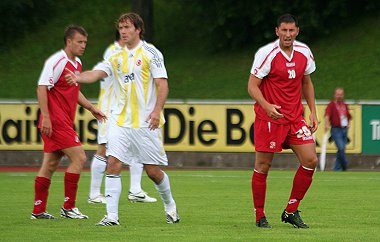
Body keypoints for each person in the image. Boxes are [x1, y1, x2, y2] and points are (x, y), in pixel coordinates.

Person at [65, 12, 179, 226]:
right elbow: (97, 73)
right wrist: (80, 76)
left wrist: (156, 111)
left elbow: (162, 84)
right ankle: (111, 216)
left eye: (127, 27)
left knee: (152, 171)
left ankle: (170, 205)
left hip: (145, 123)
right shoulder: (116, 56)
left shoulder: (150, 53)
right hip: (119, 121)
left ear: (138, 29)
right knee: (113, 163)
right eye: (120, 28)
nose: (123, 31)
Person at [247, 14, 318, 229]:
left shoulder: (304, 52)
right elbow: (252, 86)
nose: (288, 34)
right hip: (270, 119)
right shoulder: (266, 54)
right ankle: (260, 215)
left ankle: (291, 210)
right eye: (284, 30)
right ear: (277, 31)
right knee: (263, 166)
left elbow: (306, 82)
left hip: (295, 118)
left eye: (291, 30)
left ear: (297, 31)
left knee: (311, 160)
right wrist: (267, 106)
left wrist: (313, 112)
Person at [31, 25, 106, 220]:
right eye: (80, 42)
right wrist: (46, 116)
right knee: (79, 158)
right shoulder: (57, 61)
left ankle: (38, 211)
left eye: (85, 42)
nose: (83, 46)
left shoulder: (77, 63)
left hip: (62, 120)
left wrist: (91, 108)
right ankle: (69, 207)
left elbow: (75, 91)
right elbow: (42, 88)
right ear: (69, 41)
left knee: (50, 163)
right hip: (55, 120)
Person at [88, 30, 157, 204]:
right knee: (104, 149)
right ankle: (94, 194)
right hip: (111, 108)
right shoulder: (114, 52)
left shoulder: (135, 52)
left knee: (136, 148)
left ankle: (135, 189)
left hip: (128, 110)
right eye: (123, 29)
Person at [324, 87, 351, 171]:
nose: (339, 96)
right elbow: (327, 115)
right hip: (336, 129)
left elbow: (348, 116)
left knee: (341, 150)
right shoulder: (331, 105)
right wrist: (327, 124)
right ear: (334, 95)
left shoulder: (344, 105)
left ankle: (337, 168)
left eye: (341, 94)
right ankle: (344, 165)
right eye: (338, 94)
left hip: (344, 129)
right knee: (341, 148)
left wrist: (348, 123)